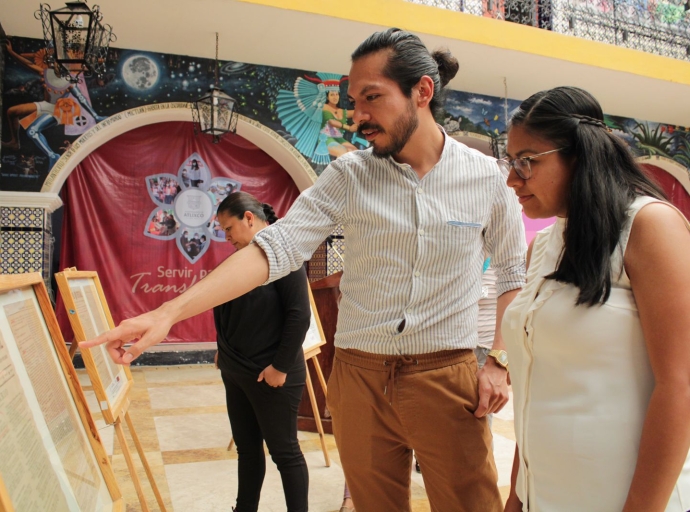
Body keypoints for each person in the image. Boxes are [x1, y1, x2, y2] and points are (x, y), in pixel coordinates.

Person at [83, 28, 526, 512]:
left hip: (447, 376)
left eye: (371, 98)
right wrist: (169, 312)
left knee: (471, 504)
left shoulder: (487, 179)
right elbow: (276, 248)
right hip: (359, 378)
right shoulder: (349, 175)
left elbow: (511, 275)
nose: (357, 116)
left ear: (422, 92)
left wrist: (499, 361)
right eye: (353, 99)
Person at [500, 86, 690, 512]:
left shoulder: (648, 227)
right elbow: (536, 387)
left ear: (579, 155)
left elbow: (680, 386)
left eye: (526, 162)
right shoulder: (544, 247)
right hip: (544, 495)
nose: (512, 178)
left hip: (622, 497)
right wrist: (516, 495)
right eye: (510, 162)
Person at [214, 191, 310, 512]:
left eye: (229, 229)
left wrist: (280, 368)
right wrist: (223, 349)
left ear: (249, 219)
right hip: (236, 370)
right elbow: (229, 305)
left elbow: (299, 315)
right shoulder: (242, 256)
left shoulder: (284, 253)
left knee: (284, 452)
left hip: (273, 374)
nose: (226, 237)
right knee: (248, 450)